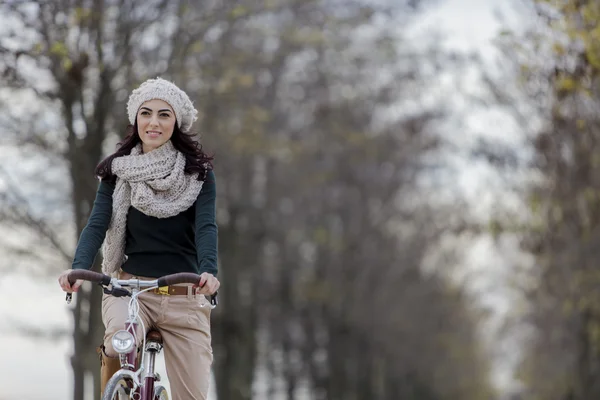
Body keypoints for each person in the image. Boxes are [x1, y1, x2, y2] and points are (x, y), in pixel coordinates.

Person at [57, 77, 220, 400]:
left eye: (164, 114)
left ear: (176, 122)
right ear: (136, 119)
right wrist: (77, 268)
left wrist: (209, 271)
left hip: (184, 297)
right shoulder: (117, 172)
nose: (154, 123)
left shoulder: (197, 173)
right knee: (119, 344)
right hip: (130, 292)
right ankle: (118, 392)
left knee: (193, 395)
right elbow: (97, 223)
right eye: (146, 113)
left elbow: (206, 227)